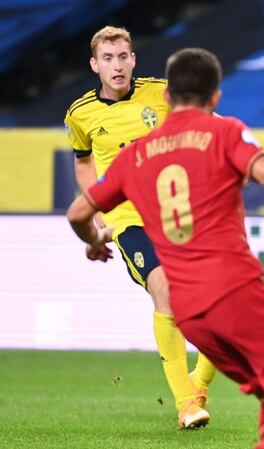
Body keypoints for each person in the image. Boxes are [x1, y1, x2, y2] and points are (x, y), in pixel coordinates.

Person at [66, 47, 264, 449]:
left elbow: (77, 213)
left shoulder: (134, 156)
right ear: (215, 98)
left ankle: (193, 401)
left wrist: (94, 241)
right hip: (235, 290)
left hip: (192, 314)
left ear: (165, 97)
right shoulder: (224, 130)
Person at [63, 26, 217, 428]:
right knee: (163, 286)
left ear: (133, 59)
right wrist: (98, 201)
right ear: (95, 65)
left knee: (218, 305)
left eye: (123, 56)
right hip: (129, 217)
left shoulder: (162, 93)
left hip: (178, 211)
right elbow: (83, 160)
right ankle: (186, 404)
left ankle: (198, 384)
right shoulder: (81, 113)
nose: (117, 65)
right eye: (108, 59)